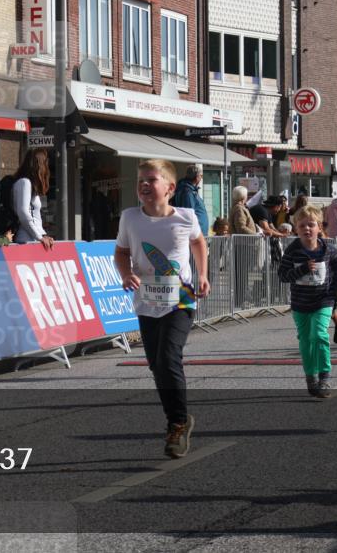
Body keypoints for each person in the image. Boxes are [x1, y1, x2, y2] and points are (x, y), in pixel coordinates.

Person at [114, 159, 209, 459]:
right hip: (147, 301)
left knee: (168, 358)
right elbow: (121, 251)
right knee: (157, 366)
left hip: (181, 298)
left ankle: (177, 425)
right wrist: (126, 273)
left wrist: (203, 274)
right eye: (141, 179)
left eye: (151, 180)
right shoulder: (130, 217)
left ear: (169, 188)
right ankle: (179, 419)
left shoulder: (185, 216)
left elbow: (199, 243)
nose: (143, 184)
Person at [277, 205, 337, 398]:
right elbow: (282, 275)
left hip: (323, 300)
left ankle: (325, 377)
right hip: (300, 303)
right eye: (302, 225)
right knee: (306, 341)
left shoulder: (328, 250)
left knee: (319, 334)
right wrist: (302, 270)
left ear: (319, 228)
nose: (307, 228)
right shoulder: (292, 251)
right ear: (296, 229)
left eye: (311, 224)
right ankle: (311, 378)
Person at [12, 148, 54, 250]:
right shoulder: (25, 182)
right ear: (39, 164)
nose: (47, 167)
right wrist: (39, 236)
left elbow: (35, 216)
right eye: (45, 162)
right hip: (26, 240)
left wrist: (42, 235)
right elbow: (23, 212)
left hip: (32, 239)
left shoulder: (29, 184)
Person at [172, 164, 209, 237]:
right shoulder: (188, 192)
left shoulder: (190, 190)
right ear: (196, 177)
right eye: (201, 176)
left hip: (198, 234)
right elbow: (188, 214)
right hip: (194, 236)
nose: (201, 178)